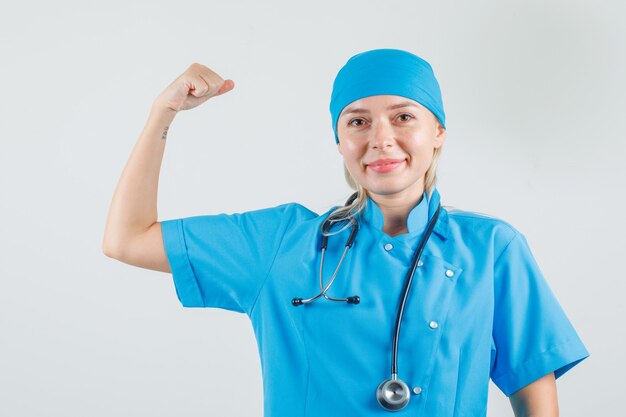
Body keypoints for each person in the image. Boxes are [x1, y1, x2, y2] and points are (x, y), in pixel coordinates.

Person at [102, 49, 589, 416]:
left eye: (403, 116)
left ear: (437, 131)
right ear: (340, 141)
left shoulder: (491, 249)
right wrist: (161, 115)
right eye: (358, 121)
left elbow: (533, 386)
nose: (380, 138)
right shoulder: (282, 243)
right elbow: (127, 239)